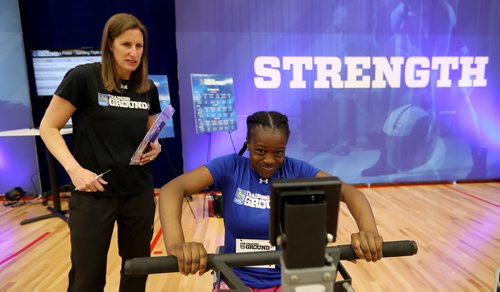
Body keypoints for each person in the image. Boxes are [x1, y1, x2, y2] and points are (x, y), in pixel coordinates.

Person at [159, 111, 383, 291]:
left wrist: (369, 230)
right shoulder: (230, 167)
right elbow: (172, 189)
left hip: (288, 281)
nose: (269, 160)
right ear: (247, 143)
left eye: (278, 152)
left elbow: (350, 193)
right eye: (260, 151)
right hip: (235, 279)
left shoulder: (296, 169)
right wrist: (178, 245)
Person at [39, 13, 161, 291]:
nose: (133, 53)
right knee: (88, 277)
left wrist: (155, 147)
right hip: (93, 194)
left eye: (139, 46)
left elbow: (152, 133)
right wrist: (75, 170)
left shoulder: (147, 87)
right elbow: (48, 127)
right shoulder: (83, 77)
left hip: (138, 192)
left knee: (136, 271)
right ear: (109, 44)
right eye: (126, 45)